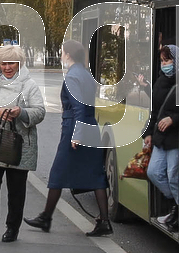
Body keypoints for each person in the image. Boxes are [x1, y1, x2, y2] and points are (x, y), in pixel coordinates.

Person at [25, 39, 115, 237]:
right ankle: (104, 222)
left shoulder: (72, 76)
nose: (61, 56)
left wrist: (76, 135)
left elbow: (79, 108)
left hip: (76, 129)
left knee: (57, 173)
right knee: (96, 175)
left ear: (67, 54)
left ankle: (46, 218)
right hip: (91, 128)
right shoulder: (86, 74)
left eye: (62, 52)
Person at [0, 43, 46, 242]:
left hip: (20, 144)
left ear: (19, 63)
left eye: (11, 63)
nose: (7, 67)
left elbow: (40, 111)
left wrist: (20, 112)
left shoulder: (29, 85)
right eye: (3, 63)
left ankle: (12, 228)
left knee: (16, 189)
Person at [145, 44, 179, 232]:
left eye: (167, 60)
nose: (164, 64)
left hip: (175, 139)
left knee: (173, 176)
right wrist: (149, 133)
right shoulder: (159, 82)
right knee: (154, 172)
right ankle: (176, 204)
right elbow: (154, 111)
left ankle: (178, 211)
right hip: (160, 138)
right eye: (162, 61)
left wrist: (173, 119)